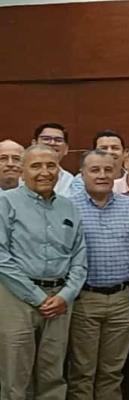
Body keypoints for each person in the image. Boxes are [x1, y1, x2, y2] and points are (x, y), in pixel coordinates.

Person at [0, 144, 87, 400]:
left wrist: (66, 295)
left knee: (52, 374)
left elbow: (80, 257)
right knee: (15, 375)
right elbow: (1, 257)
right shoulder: (5, 203)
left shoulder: (69, 207)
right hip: (16, 298)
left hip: (60, 301)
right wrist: (37, 297)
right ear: (22, 171)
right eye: (36, 166)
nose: (44, 172)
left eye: (51, 165)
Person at [66, 150, 129, 400]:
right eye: (95, 170)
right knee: (82, 372)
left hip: (122, 300)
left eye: (108, 170)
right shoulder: (69, 206)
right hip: (84, 299)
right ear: (82, 174)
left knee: (113, 372)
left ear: (116, 172)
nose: (102, 175)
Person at [65, 130, 128, 197]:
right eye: (104, 148)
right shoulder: (81, 180)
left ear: (124, 153)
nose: (109, 152)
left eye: (115, 148)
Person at [32, 122, 75, 195]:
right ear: (34, 144)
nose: (52, 143)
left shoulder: (70, 180)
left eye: (58, 140)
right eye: (46, 139)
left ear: (66, 149)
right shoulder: (20, 174)